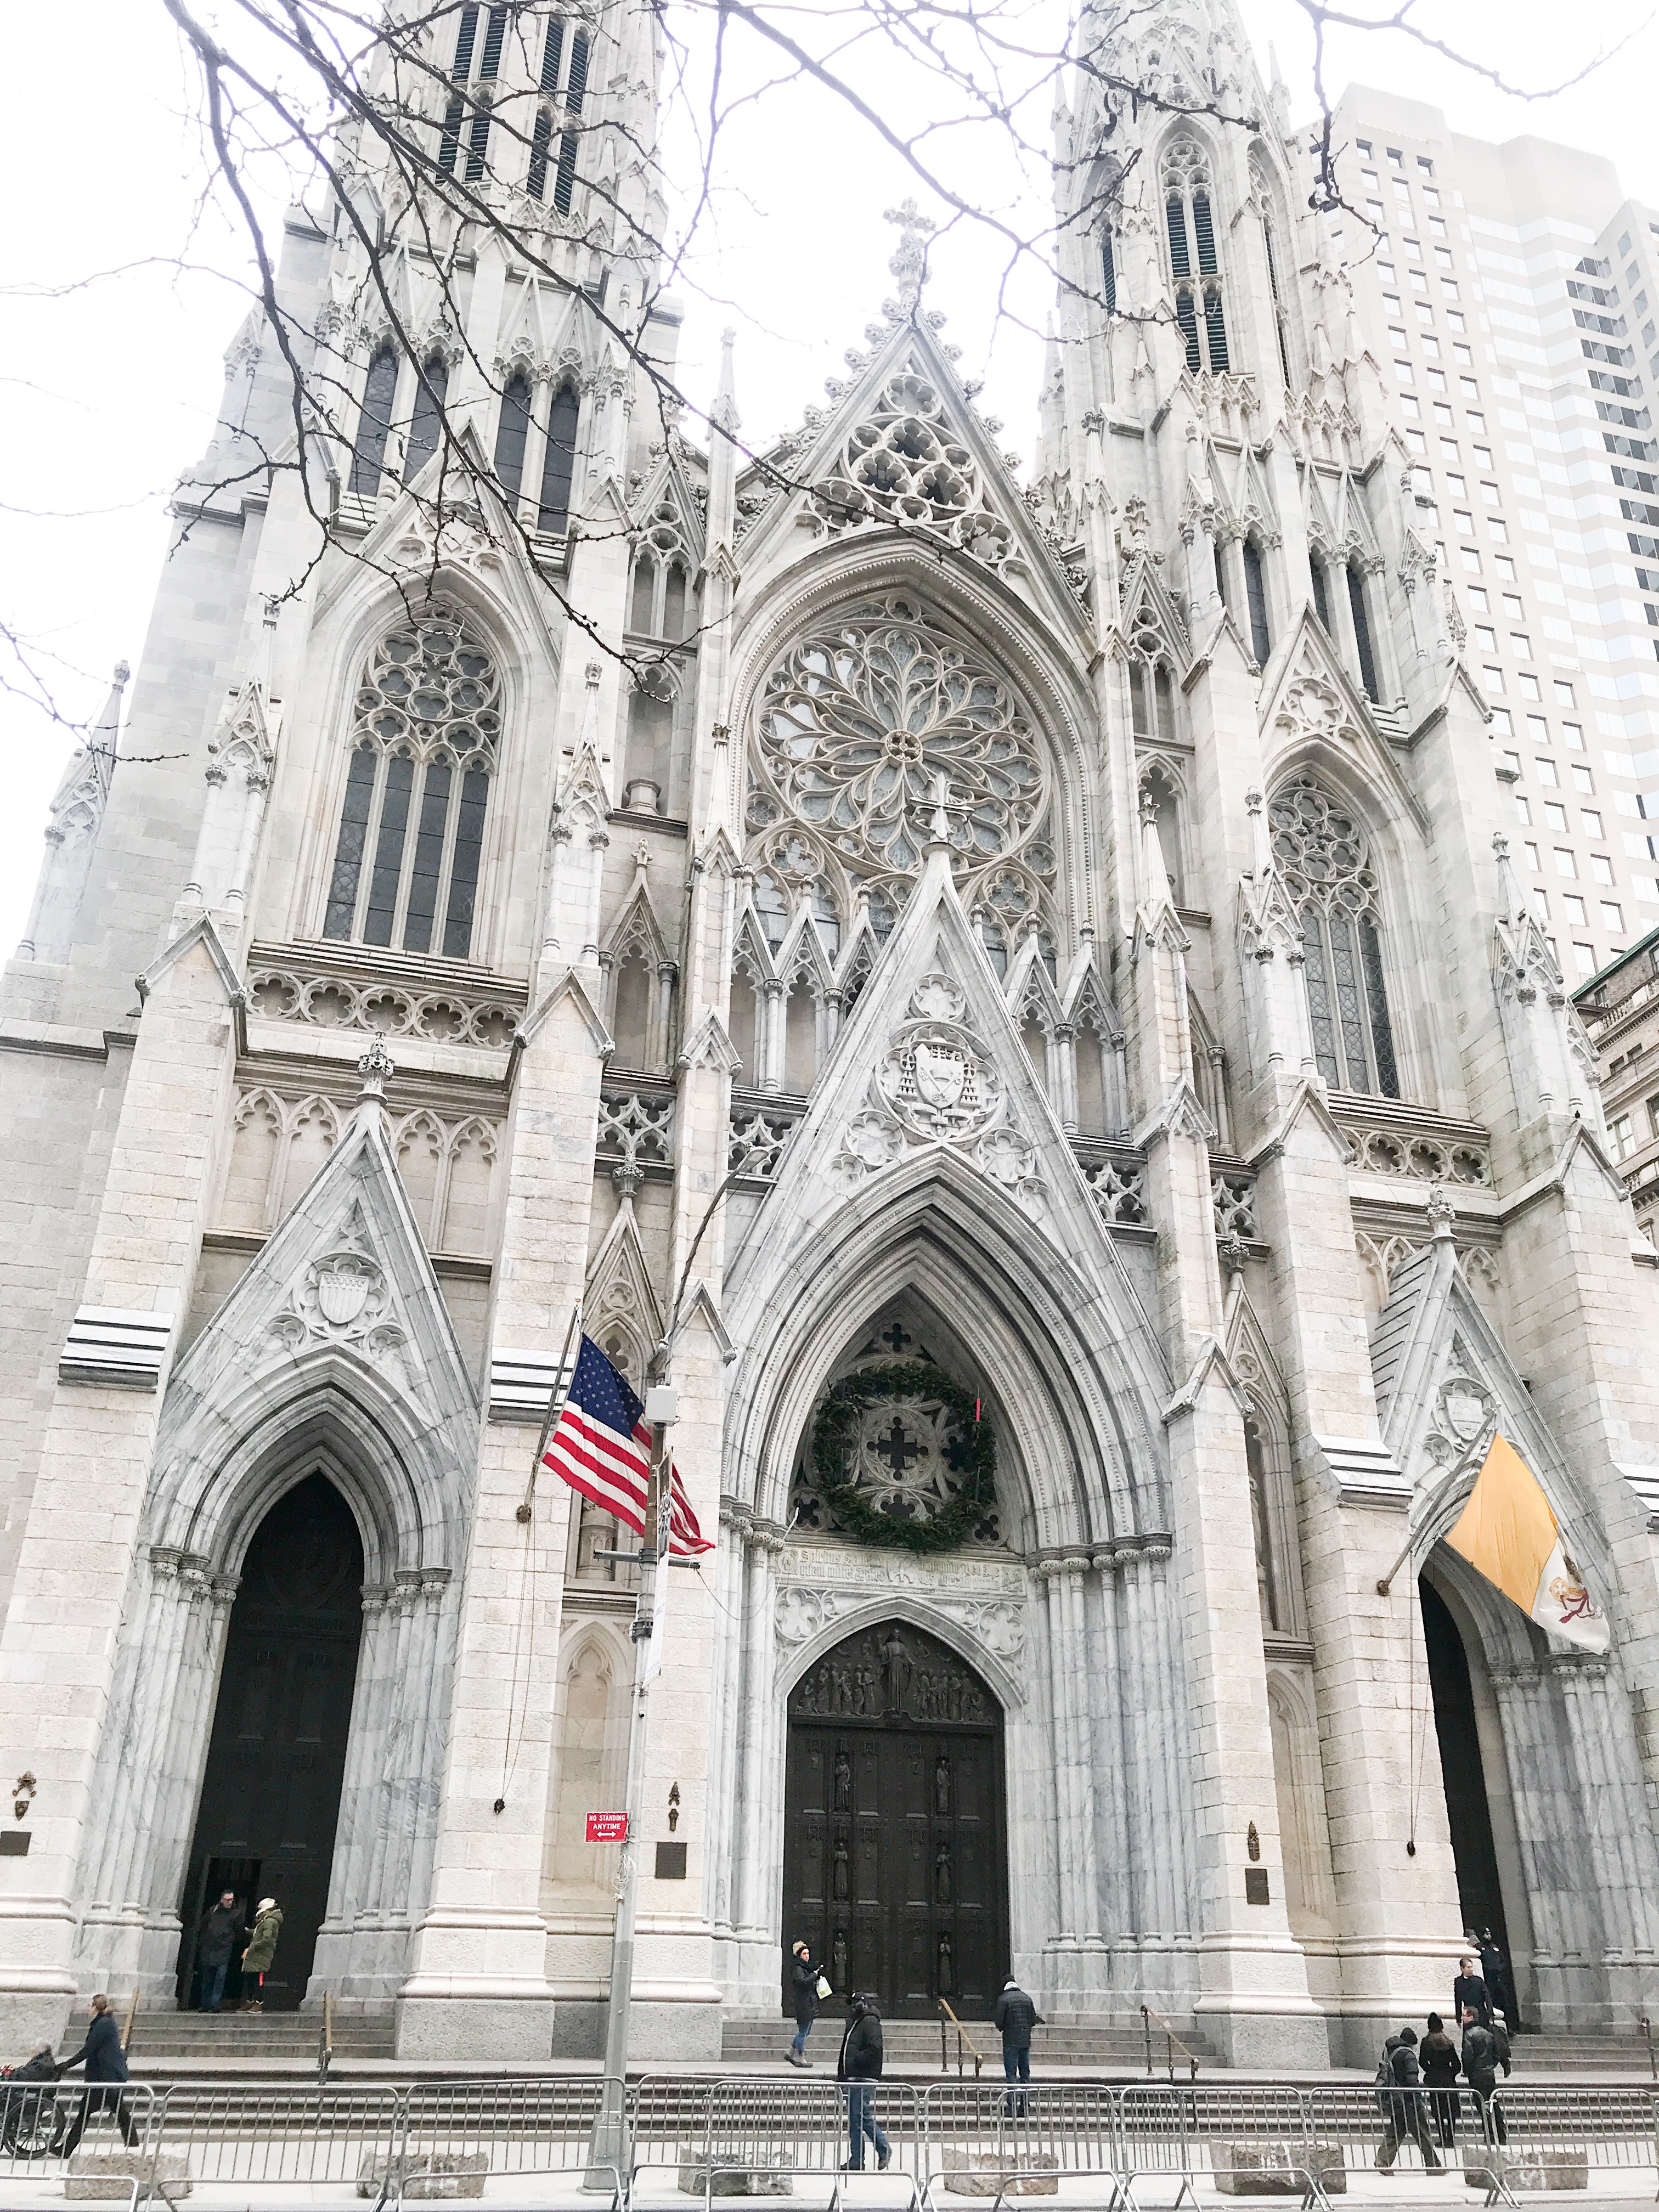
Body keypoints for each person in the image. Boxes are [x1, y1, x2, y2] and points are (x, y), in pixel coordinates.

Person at [50, 1995, 140, 2159]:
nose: (87, 2008)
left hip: (105, 2078)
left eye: (89, 2005)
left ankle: (66, 2149)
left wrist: (65, 2066)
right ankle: (133, 2144)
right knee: (119, 2112)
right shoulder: (104, 2023)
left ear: (95, 2008)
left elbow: (88, 2050)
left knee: (87, 2114)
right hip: (107, 2077)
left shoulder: (103, 2025)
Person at [1375, 2025, 1444, 2172]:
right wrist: (1418, 2098)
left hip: (1395, 2098)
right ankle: (1433, 2166)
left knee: (1396, 2131)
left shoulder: (1389, 2052)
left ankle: (1383, 2160)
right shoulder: (1408, 2055)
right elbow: (1412, 2079)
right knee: (1422, 2133)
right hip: (1409, 2100)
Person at [837, 1993, 890, 2172]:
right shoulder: (854, 2024)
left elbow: (874, 2049)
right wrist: (842, 2077)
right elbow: (844, 2051)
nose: (853, 2007)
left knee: (861, 2115)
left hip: (864, 2076)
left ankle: (883, 2148)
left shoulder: (870, 2022)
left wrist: (855, 2061)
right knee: (855, 2119)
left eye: (856, 2003)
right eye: (851, 2004)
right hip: (853, 2077)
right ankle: (857, 2159)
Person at [1460, 2005, 1511, 2147]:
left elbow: (1467, 2056)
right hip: (1489, 2073)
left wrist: (1468, 2071)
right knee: (1494, 2104)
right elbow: (1496, 2054)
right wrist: (1490, 2065)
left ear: (1471, 2018)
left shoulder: (1469, 2034)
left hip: (1477, 2074)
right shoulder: (1488, 2034)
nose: (1462, 2019)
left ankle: (1489, 2134)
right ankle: (1501, 2134)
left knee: (1482, 2105)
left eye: (1464, 2016)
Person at [1, 2046, 61, 2155]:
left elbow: (24, 2076)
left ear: (40, 2050)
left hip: (25, 2097)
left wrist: (10, 2073)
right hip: (27, 2094)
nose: (31, 2051)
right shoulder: (43, 2062)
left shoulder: (41, 2064)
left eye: (33, 2049)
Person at [994, 1977, 1041, 2117]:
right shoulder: (1027, 1998)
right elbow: (1033, 2020)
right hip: (1025, 2042)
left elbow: (999, 2023)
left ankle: (1012, 2107)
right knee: (1025, 2074)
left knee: (1012, 2075)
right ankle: (1025, 2106)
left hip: (1010, 2042)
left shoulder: (1003, 1999)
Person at [195, 1889, 242, 2012]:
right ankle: (205, 2004)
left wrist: (229, 1940)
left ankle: (215, 2004)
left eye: (232, 1900)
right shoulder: (213, 1910)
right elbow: (203, 1924)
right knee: (207, 1977)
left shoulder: (236, 1913)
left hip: (224, 1949)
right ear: (222, 1900)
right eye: (228, 1900)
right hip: (209, 1948)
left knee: (220, 1977)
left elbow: (239, 1931)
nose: (230, 1902)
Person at [1419, 2012, 1461, 2148]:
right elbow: (1457, 2065)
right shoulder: (1448, 2043)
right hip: (1448, 2080)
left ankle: (1442, 2137)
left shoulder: (1426, 2042)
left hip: (1435, 2079)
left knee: (1438, 2110)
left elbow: (1422, 2061)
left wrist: (1430, 2071)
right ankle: (1451, 2137)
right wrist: (1451, 2074)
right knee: (1450, 2110)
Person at [240, 1896, 283, 2011]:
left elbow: (266, 1938)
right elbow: (259, 1933)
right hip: (257, 1955)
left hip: (261, 1955)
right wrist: (248, 1931)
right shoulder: (266, 1921)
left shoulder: (269, 1922)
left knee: (258, 1979)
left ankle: (258, 2002)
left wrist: (254, 1947)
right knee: (251, 1977)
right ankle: (252, 2001)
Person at [787, 1940, 821, 2067]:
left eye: (808, 1954)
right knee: (803, 2032)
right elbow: (803, 1982)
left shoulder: (805, 1968)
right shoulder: (798, 1968)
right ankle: (800, 2057)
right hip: (804, 2004)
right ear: (799, 1955)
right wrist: (814, 1976)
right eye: (804, 1954)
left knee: (806, 2031)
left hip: (809, 2002)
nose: (807, 1956)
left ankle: (790, 2053)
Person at [1453, 1953, 1491, 2027]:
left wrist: (1490, 2014)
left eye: (1472, 1967)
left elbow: (1487, 1998)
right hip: (1468, 2014)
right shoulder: (1459, 1982)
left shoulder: (1478, 1981)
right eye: (1469, 1967)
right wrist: (1459, 2018)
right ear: (1462, 1969)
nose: (1472, 1969)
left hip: (1481, 2013)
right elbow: (1458, 2000)